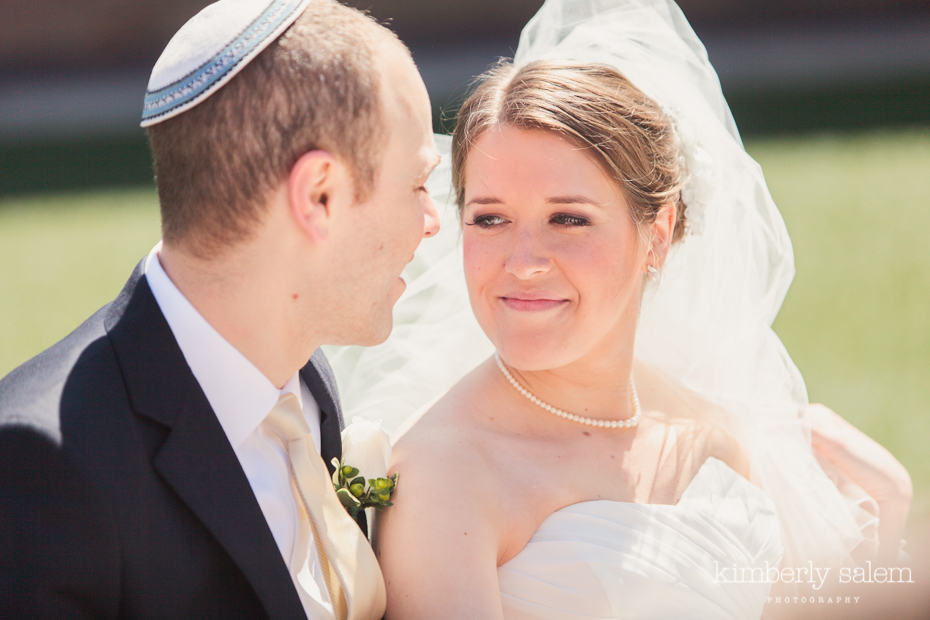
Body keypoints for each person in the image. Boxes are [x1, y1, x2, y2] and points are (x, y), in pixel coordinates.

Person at [322, 0, 911, 617]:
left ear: (657, 234)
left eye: (568, 219)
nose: (523, 261)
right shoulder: (444, 476)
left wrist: (882, 528)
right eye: (490, 218)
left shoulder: (713, 435)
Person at [0, 0, 439, 618]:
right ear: (319, 197)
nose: (432, 222)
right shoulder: (45, 468)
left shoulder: (308, 386)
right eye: (419, 185)